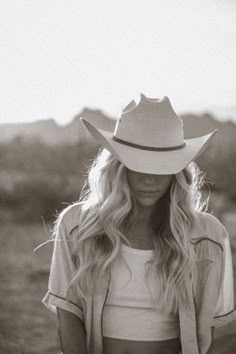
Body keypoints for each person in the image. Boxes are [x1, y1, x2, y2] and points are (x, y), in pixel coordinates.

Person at [43, 94, 236, 354]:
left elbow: (205, 332)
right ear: (118, 167)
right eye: (138, 165)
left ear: (178, 172)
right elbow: (67, 317)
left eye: (162, 167)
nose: (149, 179)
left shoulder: (208, 236)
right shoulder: (78, 225)